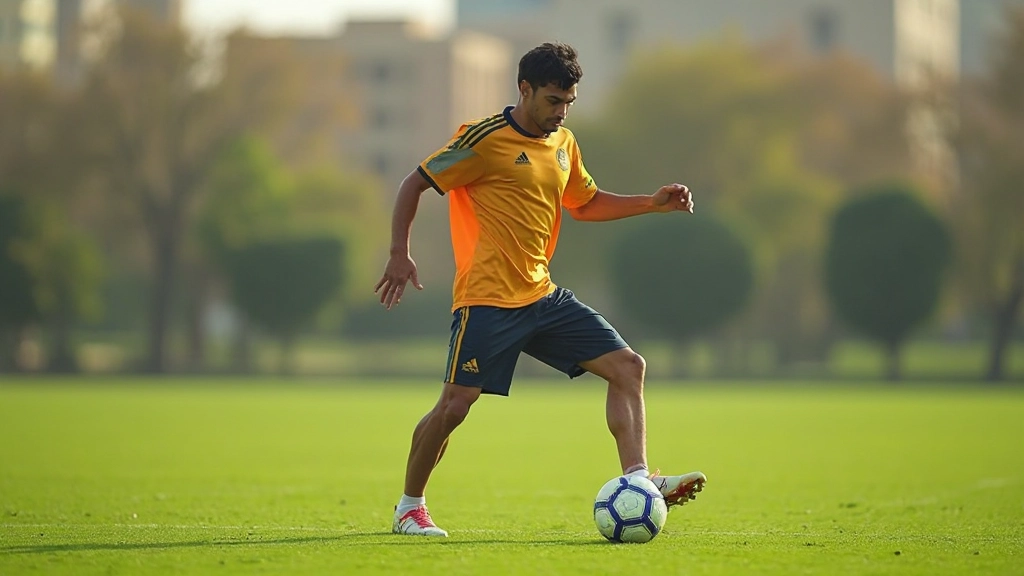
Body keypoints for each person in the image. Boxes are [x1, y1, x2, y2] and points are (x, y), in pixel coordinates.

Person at [375, 42, 706, 537]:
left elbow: (585, 203)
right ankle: (409, 507)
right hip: (486, 299)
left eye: (568, 101)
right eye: (553, 100)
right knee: (455, 406)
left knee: (627, 366)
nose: (561, 111)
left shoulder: (564, 143)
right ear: (524, 89)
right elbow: (413, 183)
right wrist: (400, 253)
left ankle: (640, 480)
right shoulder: (482, 139)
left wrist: (652, 204)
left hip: (542, 296)